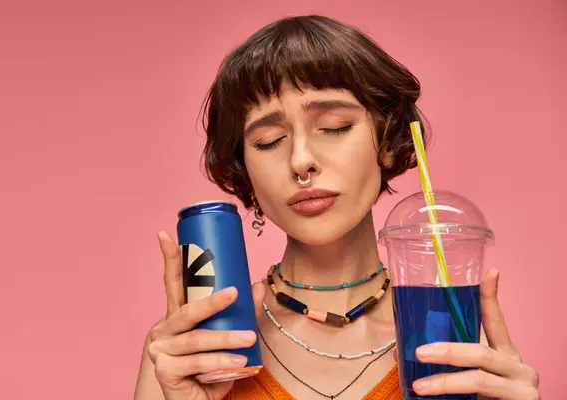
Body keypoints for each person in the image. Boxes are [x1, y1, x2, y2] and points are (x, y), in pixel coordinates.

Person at [134, 15, 540, 400]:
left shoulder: (450, 337)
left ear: (386, 141)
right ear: (245, 172)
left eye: (334, 127)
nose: (300, 160)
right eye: (269, 140)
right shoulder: (185, 355)